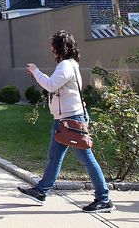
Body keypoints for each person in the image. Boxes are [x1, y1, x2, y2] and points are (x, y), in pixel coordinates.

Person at [18, 30, 113, 213]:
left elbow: (51, 85)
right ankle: (41, 191)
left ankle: (104, 198)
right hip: (63, 120)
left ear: (59, 48)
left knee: (86, 158)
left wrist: (35, 71)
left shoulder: (66, 66)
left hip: (72, 119)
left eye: (53, 46)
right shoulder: (69, 65)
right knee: (54, 157)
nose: (52, 49)